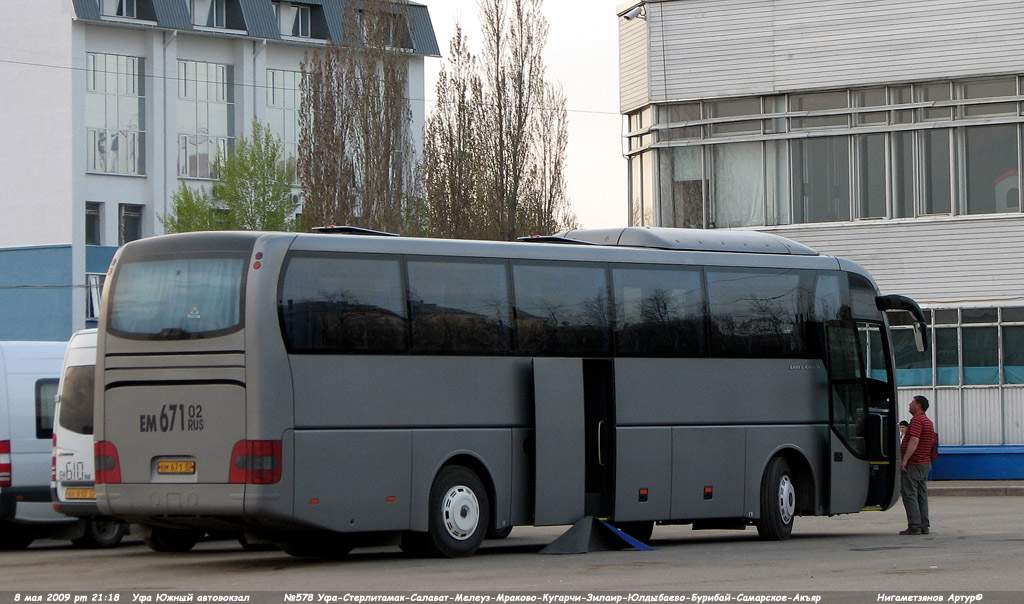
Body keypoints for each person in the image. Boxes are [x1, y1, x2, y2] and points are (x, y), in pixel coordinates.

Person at [900, 395, 935, 535]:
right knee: (921, 494)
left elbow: (914, 440)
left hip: (914, 463)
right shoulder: (928, 421)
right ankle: (924, 525)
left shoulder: (917, 421)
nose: (909, 404)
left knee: (909, 494)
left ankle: (914, 525)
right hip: (925, 462)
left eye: (912, 402)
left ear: (919, 405)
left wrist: (905, 460)